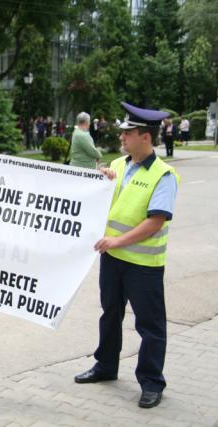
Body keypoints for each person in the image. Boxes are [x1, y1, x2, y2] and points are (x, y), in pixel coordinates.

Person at [74, 102, 179, 409]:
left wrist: (116, 241)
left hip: (144, 265)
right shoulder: (119, 165)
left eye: (127, 133)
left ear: (145, 137)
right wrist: (101, 177)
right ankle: (105, 366)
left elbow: (154, 222)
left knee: (150, 325)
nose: (121, 137)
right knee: (110, 314)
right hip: (114, 259)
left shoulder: (164, 175)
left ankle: (151, 382)